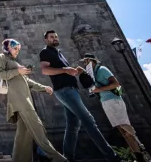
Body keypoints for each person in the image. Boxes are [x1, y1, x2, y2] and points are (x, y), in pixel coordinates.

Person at [40, 30, 121, 162]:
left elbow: (64, 71)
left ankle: (68, 158)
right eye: (51, 37)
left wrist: (76, 70)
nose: (54, 38)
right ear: (46, 40)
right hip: (65, 91)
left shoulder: (59, 53)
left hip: (71, 89)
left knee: (73, 125)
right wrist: (65, 70)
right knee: (89, 120)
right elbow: (45, 70)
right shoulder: (45, 52)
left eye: (56, 36)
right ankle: (112, 157)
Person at [0, 39, 66, 162]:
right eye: (15, 48)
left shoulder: (15, 62)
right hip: (19, 100)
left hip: (25, 98)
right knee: (38, 127)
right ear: (8, 48)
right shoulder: (2, 57)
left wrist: (43, 88)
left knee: (23, 135)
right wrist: (18, 71)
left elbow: (27, 82)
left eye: (18, 49)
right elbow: (0, 73)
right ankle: (57, 158)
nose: (17, 51)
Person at [80, 53, 149, 162]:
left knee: (125, 126)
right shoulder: (92, 74)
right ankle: (138, 157)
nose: (85, 63)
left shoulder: (102, 69)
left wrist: (99, 90)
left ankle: (142, 150)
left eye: (86, 61)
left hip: (113, 100)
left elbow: (115, 84)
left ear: (92, 60)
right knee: (122, 130)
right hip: (106, 102)